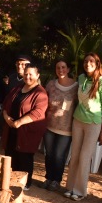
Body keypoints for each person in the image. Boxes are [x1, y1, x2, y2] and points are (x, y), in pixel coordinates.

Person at [64, 53, 102, 201]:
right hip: (78, 121)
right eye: (85, 61)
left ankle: (79, 190)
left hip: (93, 124)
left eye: (91, 61)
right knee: (75, 155)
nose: (87, 64)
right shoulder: (81, 78)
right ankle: (70, 187)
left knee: (84, 157)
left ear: (97, 63)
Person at [1, 64, 48, 189]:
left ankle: (25, 183)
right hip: (11, 128)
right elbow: (6, 103)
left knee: (24, 157)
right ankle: (10, 180)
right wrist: (6, 116)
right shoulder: (18, 88)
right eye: (26, 74)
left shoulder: (40, 93)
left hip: (27, 131)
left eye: (31, 74)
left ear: (37, 76)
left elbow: (38, 112)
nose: (27, 77)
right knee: (11, 154)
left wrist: (19, 122)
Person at [42, 59, 78, 192]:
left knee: (59, 155)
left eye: (63, 67)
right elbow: (43, 101)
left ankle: (56, 180)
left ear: (68, 69)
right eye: (58, 68)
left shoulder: (76, 87)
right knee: (49, 154)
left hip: (66, 128)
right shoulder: (51, 84)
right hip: (49, 126)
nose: (60, 70)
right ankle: (48, 178)